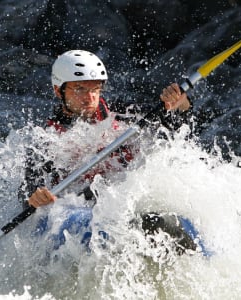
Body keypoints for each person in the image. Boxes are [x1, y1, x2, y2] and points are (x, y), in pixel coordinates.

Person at [18, 49, 198, 254]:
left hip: (126, 200)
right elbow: (27, 192)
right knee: (147, 225)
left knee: (167, 223)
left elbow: (180, 131)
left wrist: (181, 104)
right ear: (59, 91)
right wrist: (34, 198)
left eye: (95, 89)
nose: (89, 97)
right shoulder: (46, 140)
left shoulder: (125, 115)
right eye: (79, 89)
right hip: (79, 213)